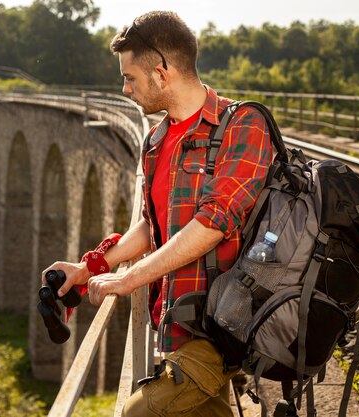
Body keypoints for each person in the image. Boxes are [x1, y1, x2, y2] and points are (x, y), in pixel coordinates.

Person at [43, 11, 273, 417]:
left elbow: (213, 224)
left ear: (162, 73)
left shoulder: (243, 125)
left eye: (130, 78)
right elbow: (155, 223)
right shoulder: (157, 138)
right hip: (173, 323)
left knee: (137, 414)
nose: (124, 89)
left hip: (222, 325)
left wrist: (129, 279)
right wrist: (91, 267)